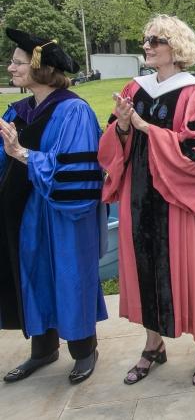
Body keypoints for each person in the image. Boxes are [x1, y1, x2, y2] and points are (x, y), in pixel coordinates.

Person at [98, 15, 195, 386]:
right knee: (145, 267)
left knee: (191, 272)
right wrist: (121, 125)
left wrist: (146, 127)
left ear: (176, 46)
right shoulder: (135, 89)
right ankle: (153, 345)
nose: (147, 45)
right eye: (146, 39)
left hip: (179, 200)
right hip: (139, 195)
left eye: (156, 39)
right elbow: (112, 142)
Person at [0, 29, 107, 384]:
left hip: (64, 216)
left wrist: (21, 153)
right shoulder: (18, 110)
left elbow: (76, 173)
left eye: (17, 62)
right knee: (33, 276)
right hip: (26, 215)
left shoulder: (73, 110)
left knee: (69, 276)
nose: (10, 67)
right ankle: (43, 350)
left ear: (38, 68)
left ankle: (84, 349)